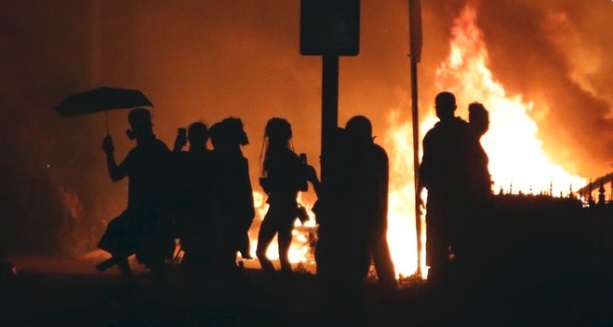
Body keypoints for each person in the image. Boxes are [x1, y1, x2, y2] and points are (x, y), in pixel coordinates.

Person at [97, 108, 174, 283]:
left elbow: (115, 175)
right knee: (155, 259)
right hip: (156, 210)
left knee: (115, 236)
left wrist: (109, 152)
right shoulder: (159, 148)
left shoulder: (138, 154)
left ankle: (129, 279)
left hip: (140, 211)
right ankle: (150, 288)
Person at [418, 91, 476, 288]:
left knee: (443, 240)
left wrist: (419, 192)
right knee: (446, 240)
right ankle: (449, 282)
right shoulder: (462, 132)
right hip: (451, 196)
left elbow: (425, 168)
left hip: (450, 197)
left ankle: (445, 282)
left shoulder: (438, 135)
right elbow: (424, 167)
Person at [256, 118, 308, 276]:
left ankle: (277, 284)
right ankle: (283, 286)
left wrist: (271, 185)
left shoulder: (281, 157)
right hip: (287, 209)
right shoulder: (285, 157)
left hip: (281, 208)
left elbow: (300, 185)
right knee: (281, 255)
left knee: (264, 252)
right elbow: (302, 185)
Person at [210, 118, 255, 270]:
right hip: (238, 212)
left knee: (224, 256)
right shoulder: (237, 159)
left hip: (229, 213)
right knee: (226, 255)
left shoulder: (227, 160)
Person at [171, 122, 217, 270]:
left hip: (189, 210)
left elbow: (169, 171)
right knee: (204, 252)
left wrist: (177, 147)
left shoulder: (184, 158)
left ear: (189, 138)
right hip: (207, 210)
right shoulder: (213, 158)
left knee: (193, 252)